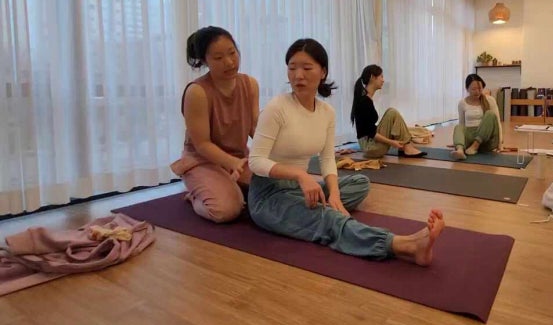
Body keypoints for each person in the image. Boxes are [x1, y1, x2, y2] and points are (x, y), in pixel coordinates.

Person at [248, 39, 444, 265]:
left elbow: (327, 159)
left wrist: (334, 194)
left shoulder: (326, 112)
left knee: (360, 183)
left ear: (323, 72)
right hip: (268, 196)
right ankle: (403, 245)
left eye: (307, 68)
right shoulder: (276, 108)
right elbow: (256, 161)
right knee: (329, 217)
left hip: (301, 189)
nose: (298, 75)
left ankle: (316, 208)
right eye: (292, 68)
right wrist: (300, 175)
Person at [170, 26, 259, 223]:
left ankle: (228, 187)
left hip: (239, 158)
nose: (229, 62)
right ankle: (196, 195)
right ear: (204, 61)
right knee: (226, 210)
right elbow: (202, 145)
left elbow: (255, 128)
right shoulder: (197, 92)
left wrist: (274, 153)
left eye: (232, 53)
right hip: (202, 161)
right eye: (218, 58)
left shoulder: (250, 84)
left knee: (276, 186)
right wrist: (232, 163)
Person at [350, 65, 427, 158]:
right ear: (372, 77)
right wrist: (392, 142)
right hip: (371, 147)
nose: (383, 80)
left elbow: (369, 130)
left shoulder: (366, 100)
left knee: (392, 114)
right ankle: (407, 147)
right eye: (381, 77)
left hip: (370, 145)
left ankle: (405, 147)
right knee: (392, 112)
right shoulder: (364, 102)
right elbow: (371, 133)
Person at [450, 74, 504, 160]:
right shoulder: (462, 103)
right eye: (474, 89)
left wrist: (500, 143)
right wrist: (458, 142)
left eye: (480, 89)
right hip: (470, 140)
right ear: (467, 89)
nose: (477, 92)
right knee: (458, 127)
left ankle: (475, 146)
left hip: (487, 140)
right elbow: (462, 124)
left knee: (490, 114)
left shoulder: (490, 100)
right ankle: (460, 151)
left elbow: (497, 122)